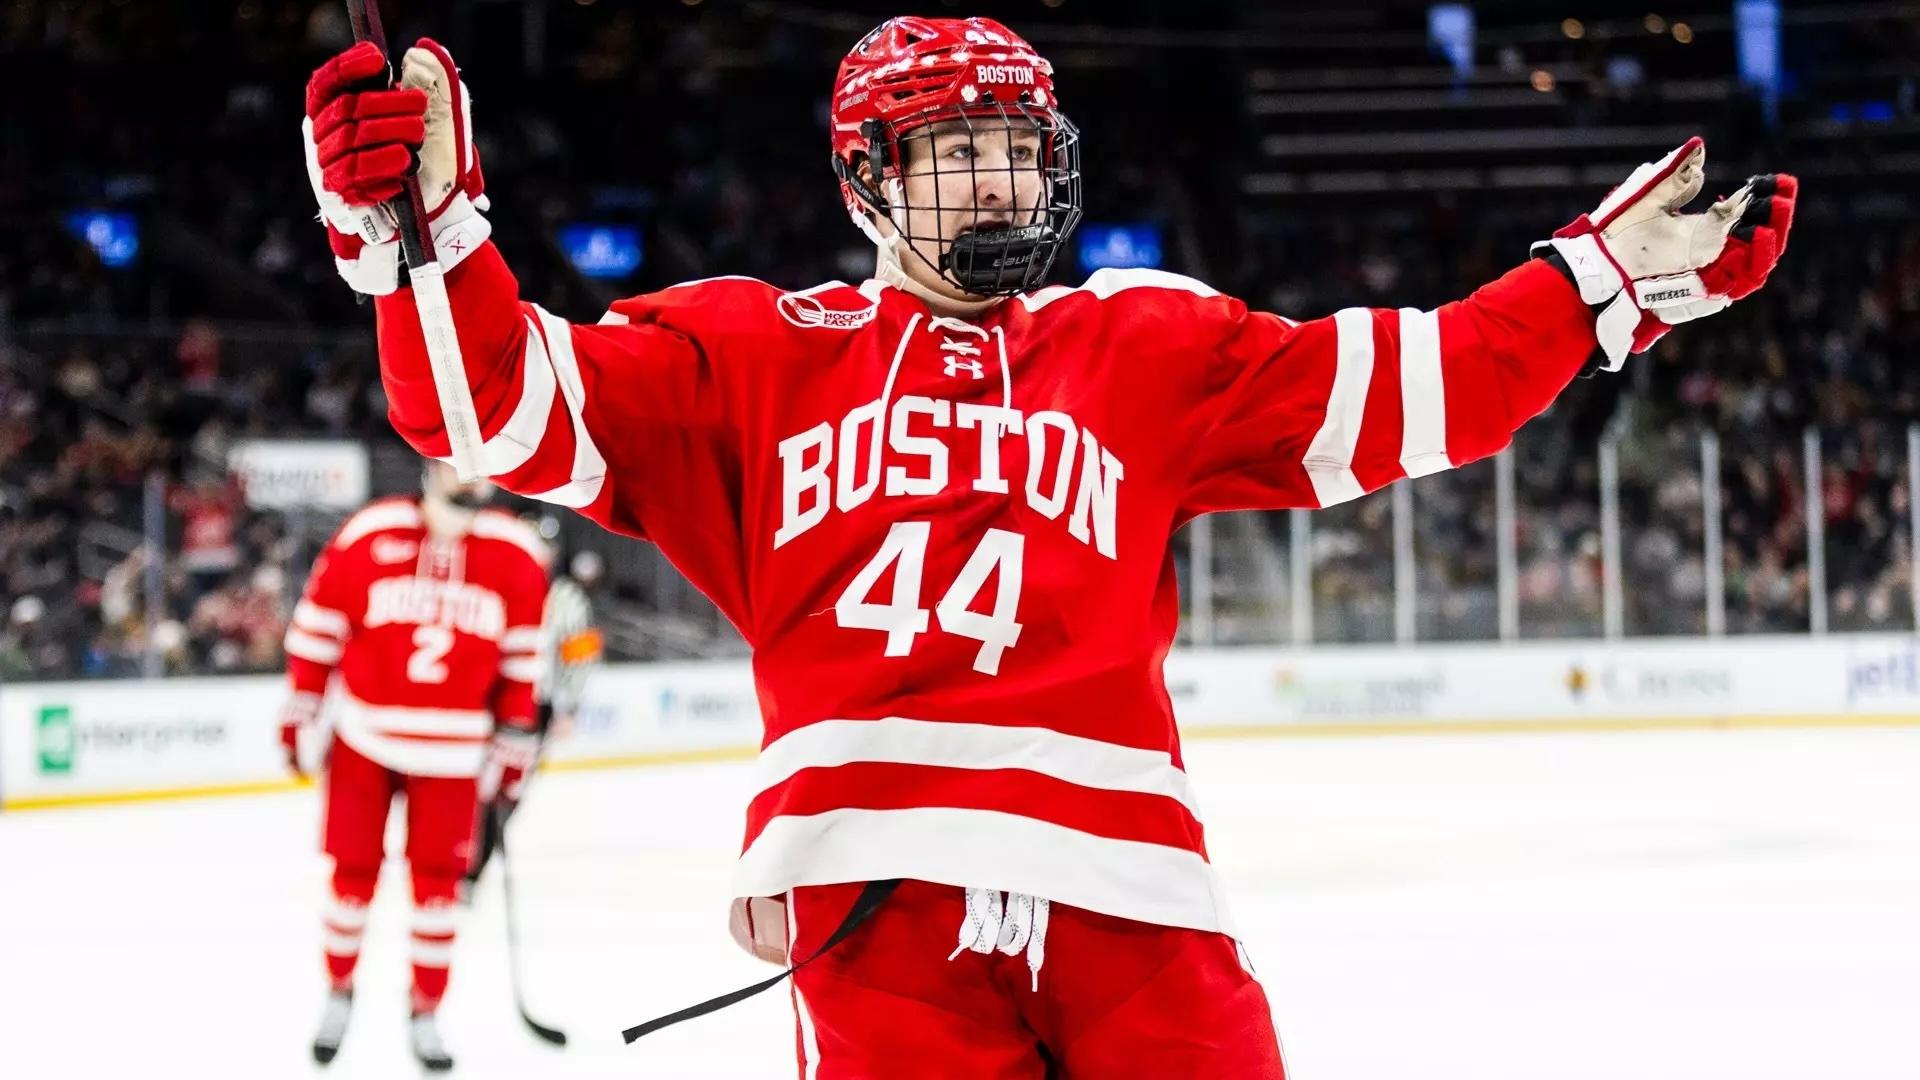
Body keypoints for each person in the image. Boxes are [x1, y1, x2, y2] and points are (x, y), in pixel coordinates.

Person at [300, 17, 1796, 1077]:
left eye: (1021, 150)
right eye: (960, 154)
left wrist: (1599, 282)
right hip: (872, 891)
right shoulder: (745, 353)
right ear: (867, 179)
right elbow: (486, 409)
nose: (1006, 185)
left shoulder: (1141, 340)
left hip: (1132, 888)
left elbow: (1414, 388)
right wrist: (420, 230)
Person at [278, 461, 551, 1071]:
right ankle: (339, 989)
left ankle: (426, 1010)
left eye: (481, 474)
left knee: (438, 892)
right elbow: (317, 628)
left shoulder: (515, 553)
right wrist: (303, 704)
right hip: (365, 738)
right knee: (351, 879)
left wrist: (515, 730)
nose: (469, 485)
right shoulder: (370, 533)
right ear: (430, 468)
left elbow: (522, 656)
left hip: (454, 752)